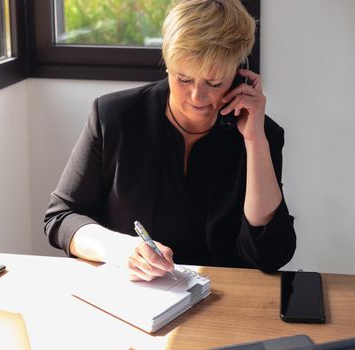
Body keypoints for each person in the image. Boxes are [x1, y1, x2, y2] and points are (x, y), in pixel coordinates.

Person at [44, 0, 296, 281]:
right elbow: (61, 218)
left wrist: (254, 141)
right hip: (136, 297)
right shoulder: (114, 118)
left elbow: (270, 255)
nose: (197, 97)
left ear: (240, 74)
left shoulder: (262, 134)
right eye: (184, 79)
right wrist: (118, 249)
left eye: (214, 83)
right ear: (168, 64)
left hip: (225, 302)